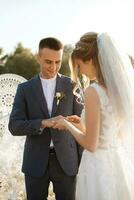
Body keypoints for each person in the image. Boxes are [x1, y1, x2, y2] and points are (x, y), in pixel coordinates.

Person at [53, 32, 134, 199]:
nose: (80, 71)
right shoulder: (117, 92)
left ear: (90, 60)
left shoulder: (93, 91)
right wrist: (81, 124)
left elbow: (91, 144)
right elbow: (110, 132)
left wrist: (66, 124)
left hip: (98, 167)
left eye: (79, 65)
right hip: (118, 163)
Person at [8, 37, 83, 200]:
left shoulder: (72, 86)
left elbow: (82, 124)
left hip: (67, 162)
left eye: (58, 62)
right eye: (48, 62)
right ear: (38, 57)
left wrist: (82, 162)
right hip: (35, 162)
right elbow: (14, 126)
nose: (54, 67)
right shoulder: (24, 89)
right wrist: (42, 123)